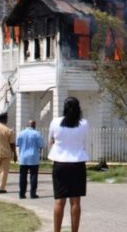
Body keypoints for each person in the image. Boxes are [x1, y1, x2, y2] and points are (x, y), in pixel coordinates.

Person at [48, 97, 89, 232]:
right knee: (75, 201)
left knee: (59, 201)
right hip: (77, 163)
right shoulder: (83, 123)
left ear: (64, 107)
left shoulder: (55, 122)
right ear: (78, 108)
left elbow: (51, 141)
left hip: (60, 164)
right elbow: (83, 142)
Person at [16, 119, 44, 199]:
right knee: (34, 176)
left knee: (22, 176)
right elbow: (41, 144)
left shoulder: (21, 133)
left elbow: (17, 144)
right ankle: (33, 193)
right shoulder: (36, 133)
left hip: (23, 157)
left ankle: (22, 194)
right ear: (34, 125)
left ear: (27, 125)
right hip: (33, 157)